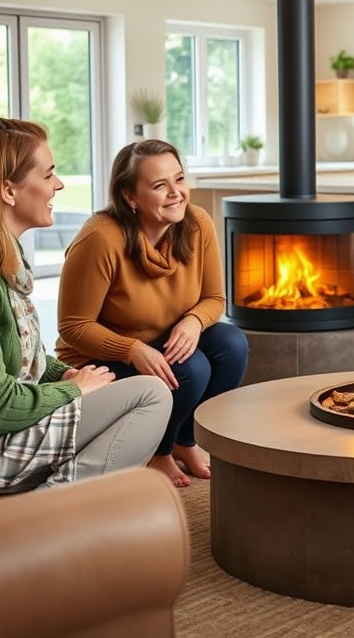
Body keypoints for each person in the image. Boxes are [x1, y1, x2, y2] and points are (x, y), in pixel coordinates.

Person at [0, 117, 172, 513]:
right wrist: (73, 390)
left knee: (131, 390)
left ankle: (22, 505)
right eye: (49, 173)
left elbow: (17, 357)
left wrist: (61, 375)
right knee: (150, 396)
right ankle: (32, 519)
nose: (59, 185)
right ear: (8, 190)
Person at [57, 139, 248, 488]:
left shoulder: (197, 223)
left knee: (232, 344)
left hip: (163, 343)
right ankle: (156, 453)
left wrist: (193, 321)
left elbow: (215, 298)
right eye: (160, 185)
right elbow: (73, 327)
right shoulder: (100, 238)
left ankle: (182, 440)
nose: (176, 193)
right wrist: (131, 349)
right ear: (130, 197)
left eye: (179, 179)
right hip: (99, 360)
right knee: (192, 368)